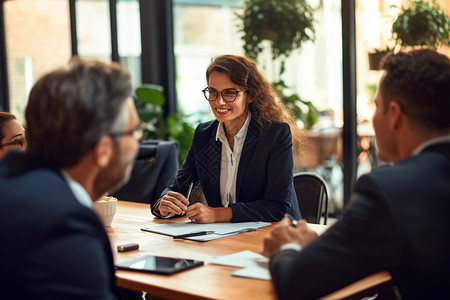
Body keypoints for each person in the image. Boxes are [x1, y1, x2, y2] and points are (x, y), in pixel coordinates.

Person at [262, 48, 450, 299]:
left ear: (394, 114)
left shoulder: (390, 190)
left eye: (377, 106)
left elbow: (296, 285)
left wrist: (288, 247)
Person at [0, 58, 143, 299]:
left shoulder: (12, 183)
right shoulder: (61, 223)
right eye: (135, 131)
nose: (138, 141)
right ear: (104, 150)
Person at [151, 54, 302, 223]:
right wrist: (164, 205)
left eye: (230, 93)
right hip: (225, 237)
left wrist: (217, 214)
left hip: (276, 234)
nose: (219, 102)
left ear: (250, 95)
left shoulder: (274, 134)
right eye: (213, 92)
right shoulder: (204, 134)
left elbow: (278, 207)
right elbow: (179, 186)